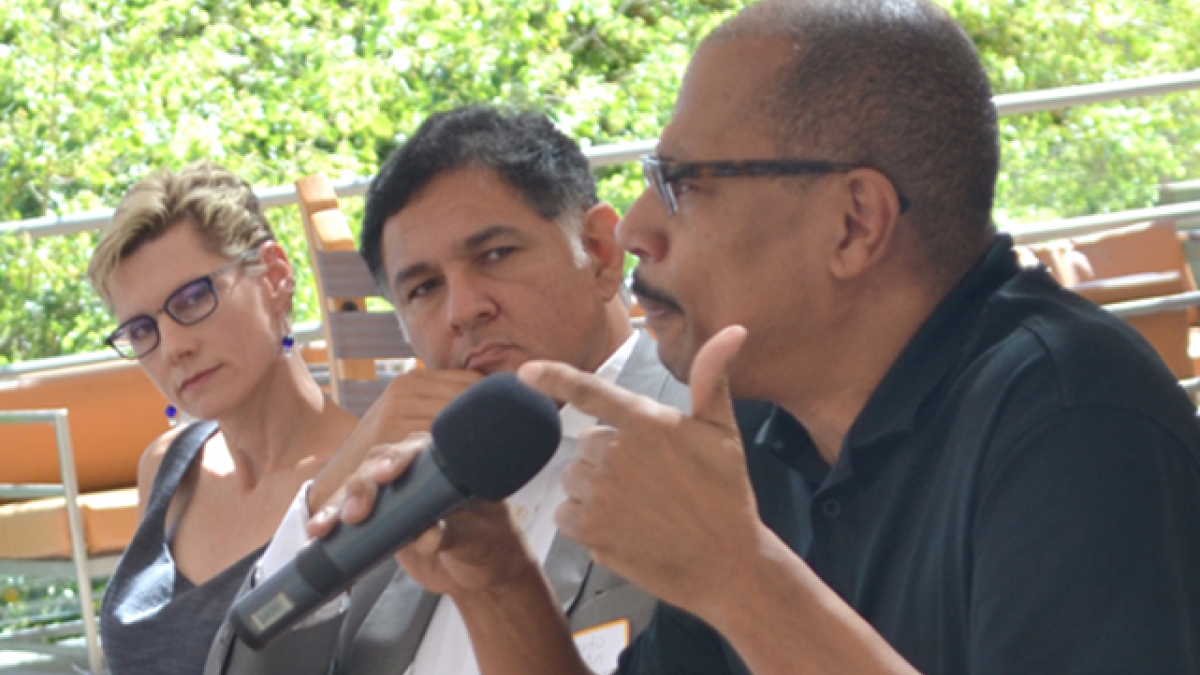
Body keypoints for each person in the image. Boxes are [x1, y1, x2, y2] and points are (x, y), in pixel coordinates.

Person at [319, 1, 1200, 674]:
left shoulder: (1073, 416)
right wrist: (497, 579)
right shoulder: (774, 434)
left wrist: (739, 576)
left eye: (683, 185)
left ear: (854, 222)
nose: (632, 231)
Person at [202, 106, 699, 675]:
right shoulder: (407, 488)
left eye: (495, 255)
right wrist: (327, 498)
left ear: (600, 252)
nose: (464, 310)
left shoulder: (706, 439)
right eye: (424, 288)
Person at [86, 161, 359, 675]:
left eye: (193, 298)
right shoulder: (167, 467)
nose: (173, 347)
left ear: (275, 276)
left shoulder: (368, 472)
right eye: (142, 330)